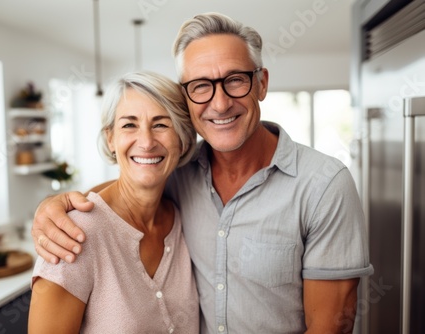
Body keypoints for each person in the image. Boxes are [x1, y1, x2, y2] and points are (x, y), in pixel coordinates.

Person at [32, 12, 374, 333]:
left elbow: (332, 325)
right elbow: (133, 185)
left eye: (235, 80)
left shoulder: (324, 186)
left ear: (262, 84)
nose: (220, 102)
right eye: (200, 85)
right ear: (187, 96)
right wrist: (56, 205)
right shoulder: (181, 173)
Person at [28, 71, 199, 333]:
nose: (146, 142)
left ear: (183, 139)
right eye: (129, 125)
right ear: (111, 138)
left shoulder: (182, 216)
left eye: (161, 124)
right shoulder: (73, 235)